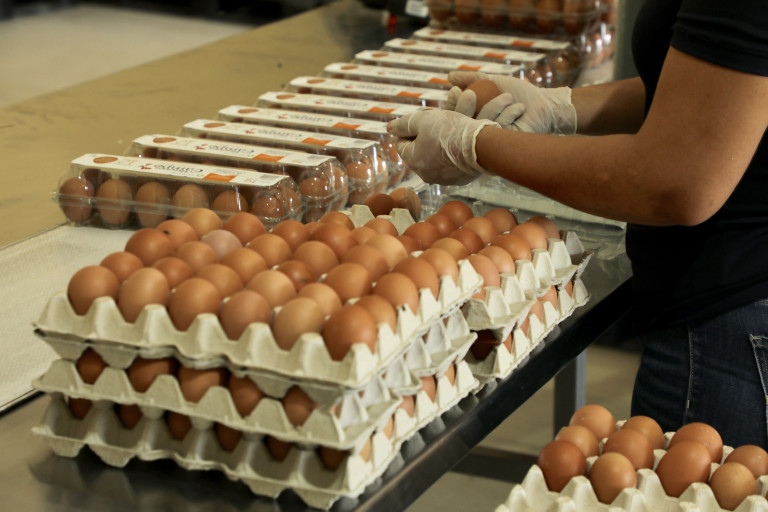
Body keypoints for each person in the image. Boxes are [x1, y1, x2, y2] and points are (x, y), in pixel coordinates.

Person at [388, 0, 768, 449]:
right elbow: (711, 91)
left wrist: (476, 146)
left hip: (733, 324)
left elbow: (673, 182)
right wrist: (562, 107)